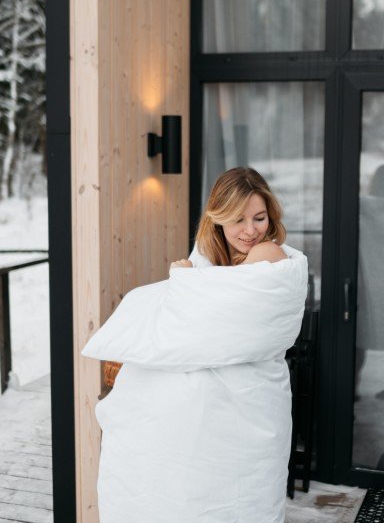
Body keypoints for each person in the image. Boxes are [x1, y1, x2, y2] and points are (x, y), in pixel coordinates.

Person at [85, 166, 308, 523]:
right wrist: (191, 286)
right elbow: (190, 318)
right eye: (238, 219)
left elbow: (222, 317)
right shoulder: (211, 256)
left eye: (259, 218)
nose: (251, 230)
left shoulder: (268, 253)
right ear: (218, 217)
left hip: (247, 397)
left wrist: (186, 281)